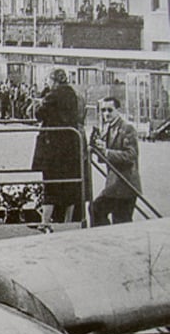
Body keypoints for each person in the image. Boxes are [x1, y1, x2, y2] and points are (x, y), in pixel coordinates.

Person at [31, 68, 82, 224]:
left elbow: (38, 114)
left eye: (48, 80)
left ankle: (45, 222)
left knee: (50, 187)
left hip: (53, 148)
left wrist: (42, 97)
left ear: (54, 81)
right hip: (70, 147)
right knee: (69, 187)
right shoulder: (72, 94)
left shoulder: (53, 95)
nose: (47, 83)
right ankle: (68, 222)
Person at [90, 97, 142, 226]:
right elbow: (104, 159)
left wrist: (107, 152)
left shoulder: (127, 128)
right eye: (103, 110)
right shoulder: (108, 128)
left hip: (126, 185)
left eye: (109, 110)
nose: (106, 114)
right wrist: (97, 149)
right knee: (96, 209)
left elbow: (131, 155)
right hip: (114, 185)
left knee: (121, 222)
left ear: (118, 111)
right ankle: (107, 239)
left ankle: (116, 243)